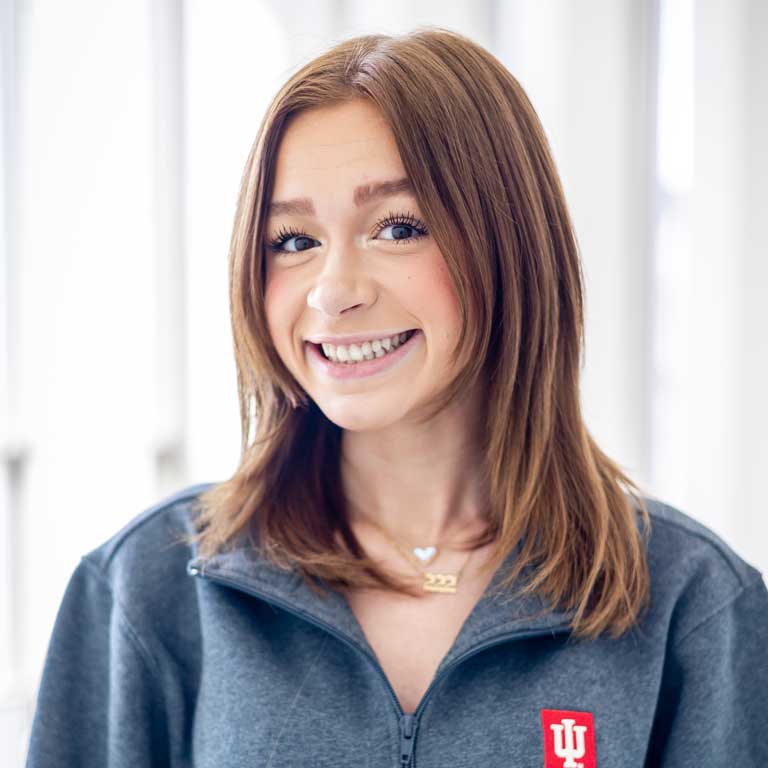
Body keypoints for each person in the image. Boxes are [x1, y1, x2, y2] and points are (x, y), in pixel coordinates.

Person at [25, 27, 768, 767]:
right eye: (292, 240)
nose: (334, 290)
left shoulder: (694, 607)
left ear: (509, 244)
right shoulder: (146, 589)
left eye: (398, 228)